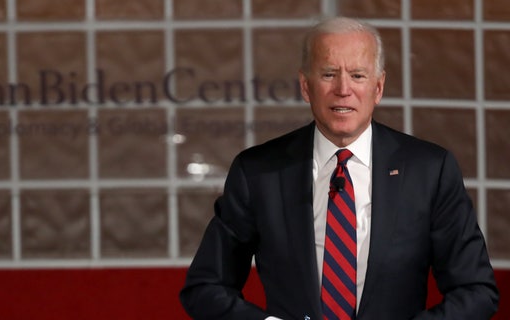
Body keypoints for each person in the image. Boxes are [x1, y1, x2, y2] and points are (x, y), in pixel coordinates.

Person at [179, 16, 499, 320]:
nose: (343, 89)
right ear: (306, 86)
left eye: (358, 75)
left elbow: (476, 290)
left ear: (378, 87)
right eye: (329, 74)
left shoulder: (429, 171)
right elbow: (205, 288)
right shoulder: (258, 173)